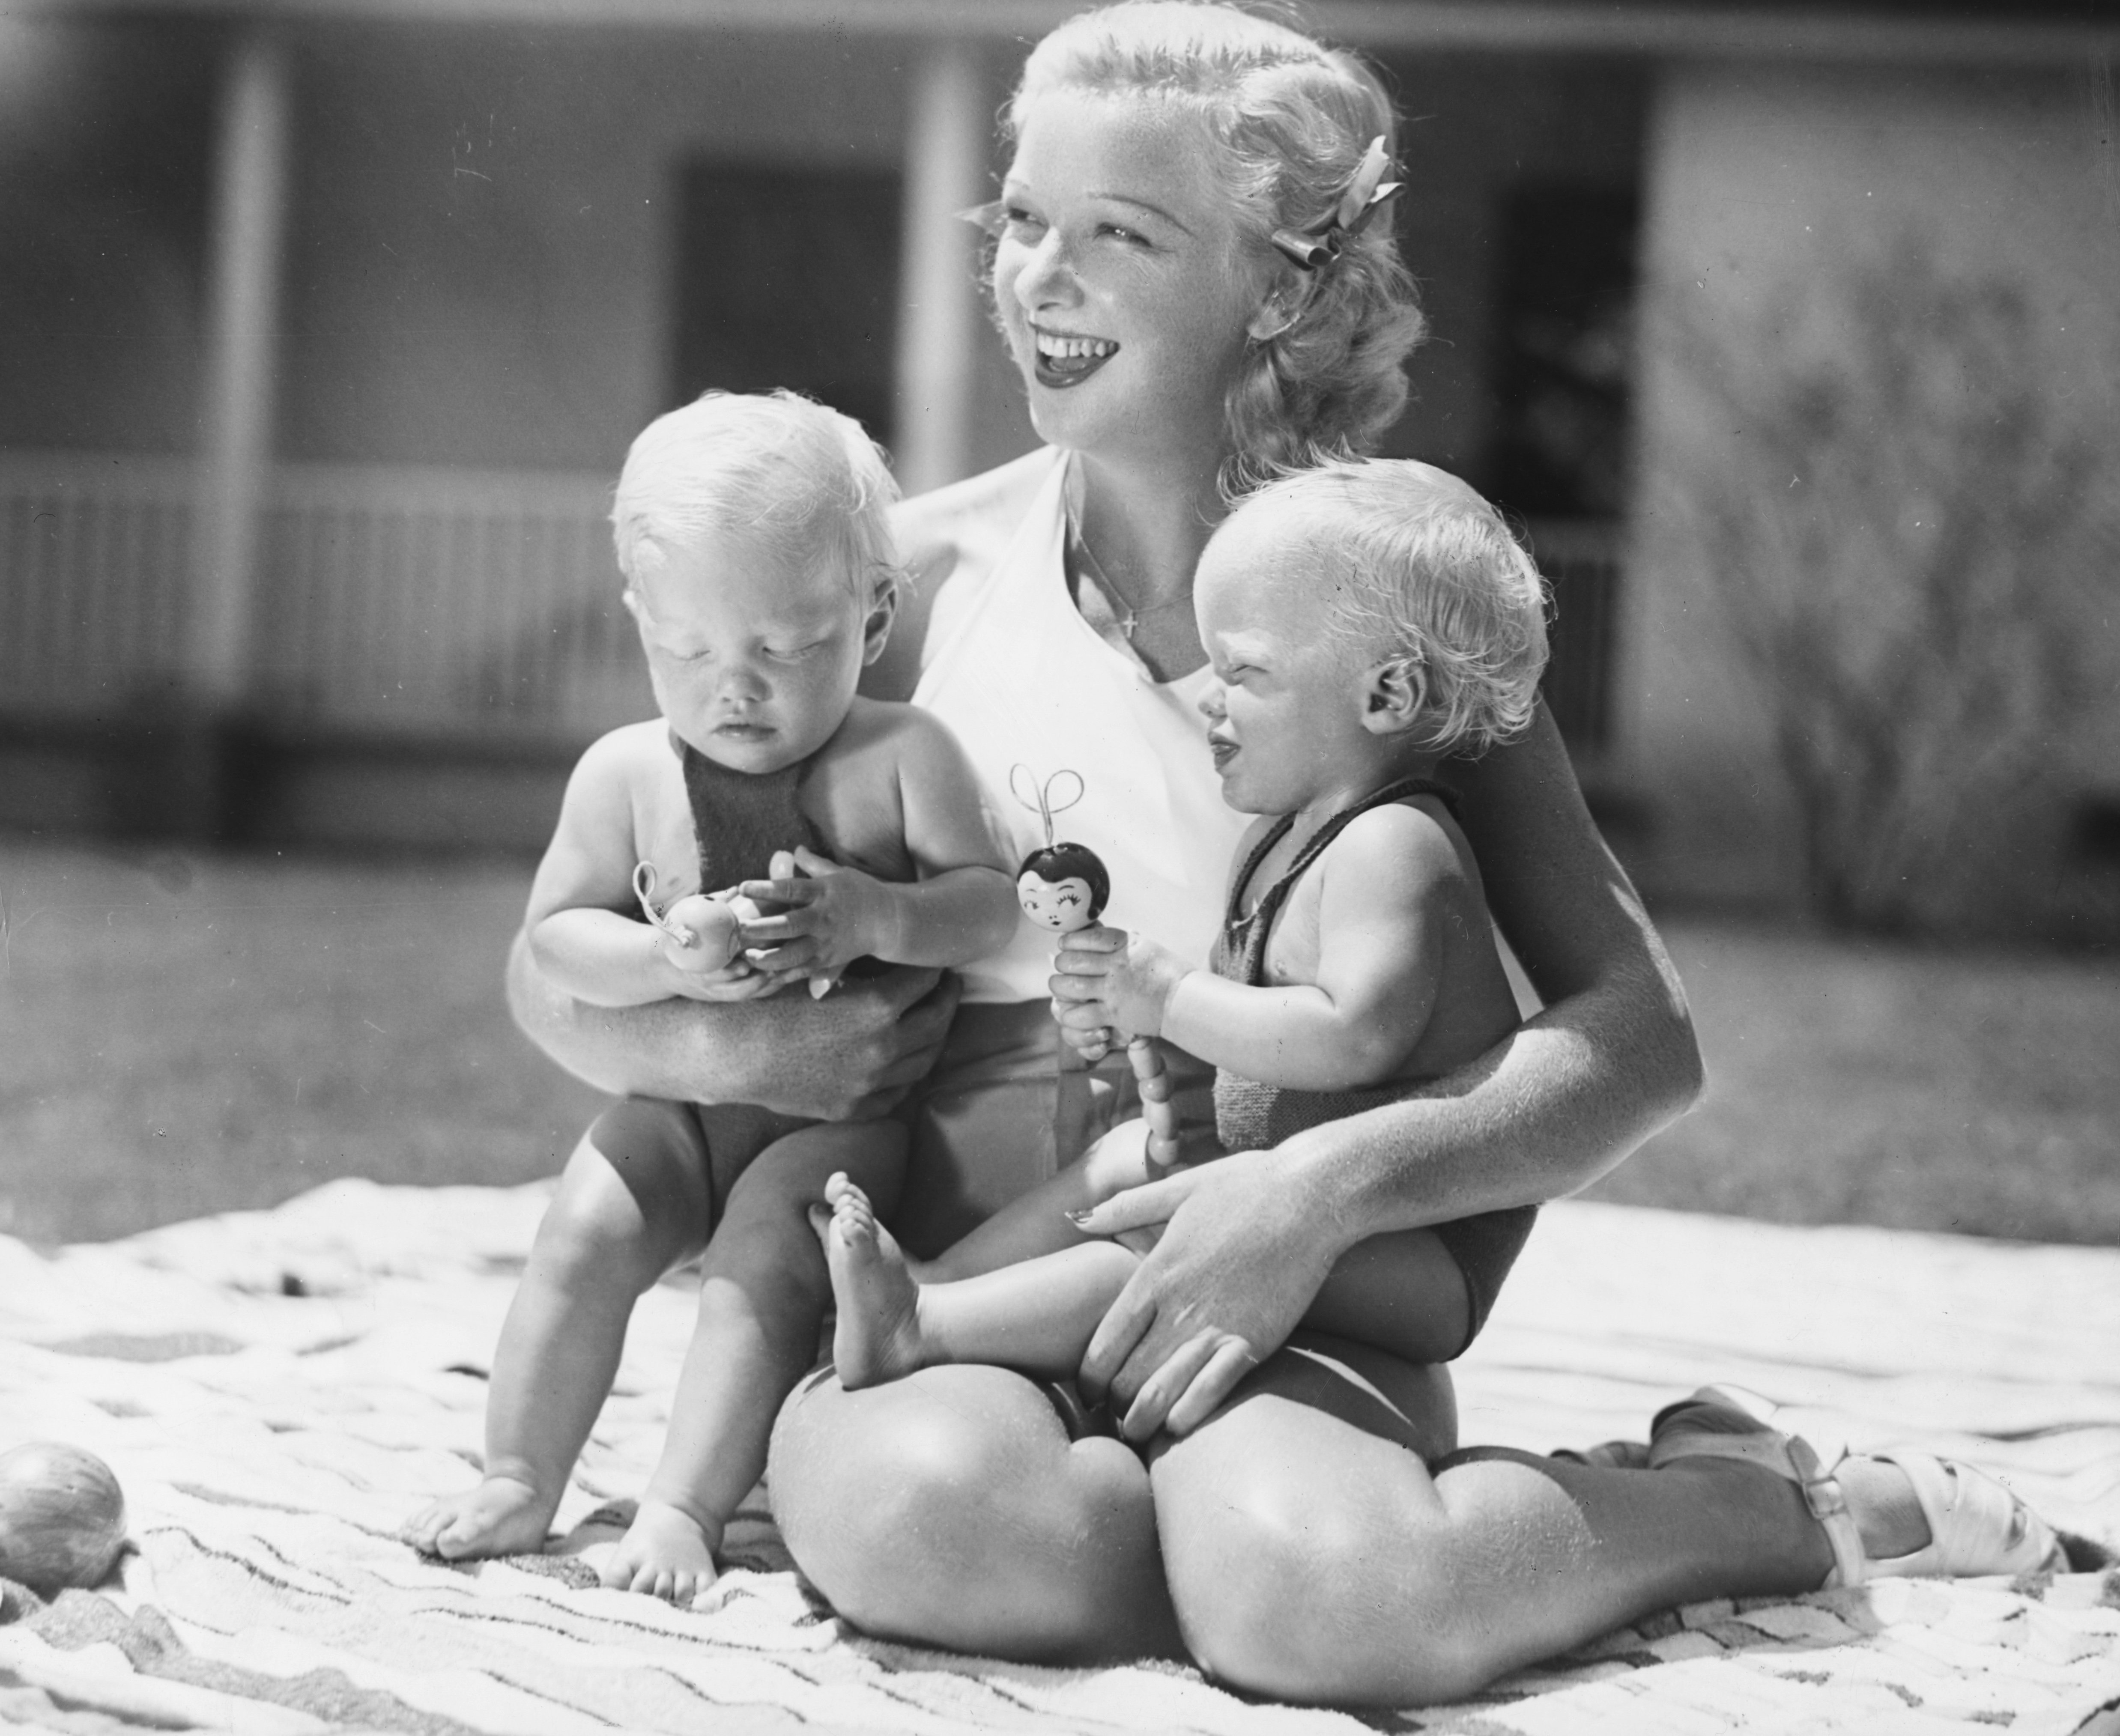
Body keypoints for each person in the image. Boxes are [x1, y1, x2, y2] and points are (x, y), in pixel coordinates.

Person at [510, 2, 2059, 1705]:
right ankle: (1188, 1525)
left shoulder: (1382, 606)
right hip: (968, 1282)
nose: (1042, 274)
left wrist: (1310, 1192)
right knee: (939, 1530)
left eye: (1120, 232)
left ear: (1278, 283)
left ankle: (1741, 1494)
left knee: (1331, 1610)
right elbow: (565, 966)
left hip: (1287, 1292)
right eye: (1022, 218)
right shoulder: (899, 582)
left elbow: (1636, 1036)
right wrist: (731, 1039)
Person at [402, 391, 1019, 1605]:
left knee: (759, 1259)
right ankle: (520, 1470)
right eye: (686, 651)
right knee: (583, 1223)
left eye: (781, 649)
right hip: (678, 1107)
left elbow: (986, 904)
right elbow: (560, 934)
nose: (733, 688)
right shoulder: (626, 770)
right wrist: (660, 964)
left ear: (871, 615)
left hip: (839, 1121)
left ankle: (684, 1501)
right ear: (641, 620)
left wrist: (878, 912)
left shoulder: (902, 758)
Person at [819, 456, 1550, 1408]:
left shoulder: (1394, 846)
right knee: (1128, 1159)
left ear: (1386, 696)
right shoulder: (1281, 837)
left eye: (1243, 671)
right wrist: (1150, 1039)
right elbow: (1263, 1023)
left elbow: (1356, 1033)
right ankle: (935, 1284)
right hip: (1294, 1191)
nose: (1209, 696)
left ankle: (929, 1328)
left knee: (1182, 1237)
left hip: (1417, 1250)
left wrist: (1170, 997)